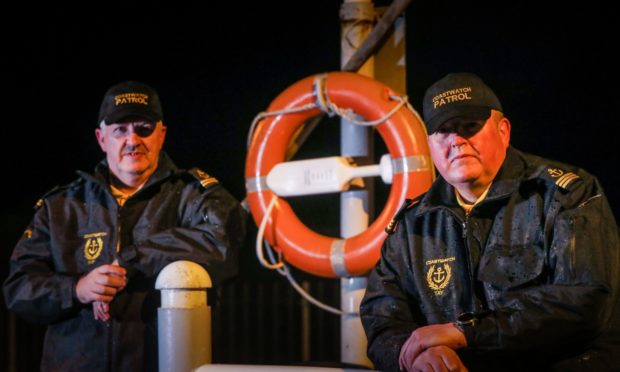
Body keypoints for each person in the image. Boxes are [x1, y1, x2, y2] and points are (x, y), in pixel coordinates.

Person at [360, 72, 620, 371]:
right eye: (443, 131)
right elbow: (381, 317)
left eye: (469, 127)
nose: (457, 141)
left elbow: (584, 300)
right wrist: (414, 355)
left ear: (503, 131)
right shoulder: (413, 224)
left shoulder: (567, 195)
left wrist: (465, 333)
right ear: (429, 145)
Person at [3, 81, 247, 371]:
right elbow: (18, 288)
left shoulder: (195, 195)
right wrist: (78, 289)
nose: (133, 140)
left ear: (161, 134)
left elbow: (224, 242)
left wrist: (133, 259)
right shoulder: (61, 206)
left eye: (144, 128)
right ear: (101, 138)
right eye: (120, 130)